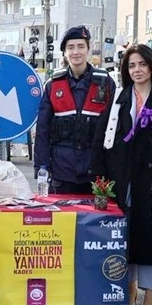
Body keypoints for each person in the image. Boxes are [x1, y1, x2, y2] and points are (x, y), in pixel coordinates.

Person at [103, 44, 152, 305]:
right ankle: (129, 288)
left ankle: (151, 292)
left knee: (150, 233)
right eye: (131, 65)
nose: (137, 70)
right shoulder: (120, 98)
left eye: (141, 65)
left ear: (151, 66)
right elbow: (106, 138)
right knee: (125, 232)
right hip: (123, 175)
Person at [34, 25, 116, 194]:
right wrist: (41, 168)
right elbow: (42, 131)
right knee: (62, 220)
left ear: (89, 49)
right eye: (70, 47)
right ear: (64, 52)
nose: (76, 52)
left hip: (96, 173)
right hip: (62, 173)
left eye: (80, 46)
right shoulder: (52, 85)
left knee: (96, 220)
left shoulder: (106, 83)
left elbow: (115, 129)